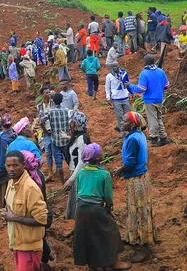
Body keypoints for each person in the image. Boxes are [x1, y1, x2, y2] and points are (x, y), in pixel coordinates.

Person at [72, 144, 129, 270]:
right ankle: (114, 262)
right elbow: (108, 196)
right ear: (98, 158)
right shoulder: (104, 174)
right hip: (96, 208)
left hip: (81, 209)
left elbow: (79, 191)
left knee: (87, 235)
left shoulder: (81, 172)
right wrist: (109, 207)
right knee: (111, 231)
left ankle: (92, 265)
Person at [113, 112, 156, 263]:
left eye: (124, 121)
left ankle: (143, 248)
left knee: (138, 211)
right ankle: (142, 237)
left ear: (132, 124)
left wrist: (120, 170)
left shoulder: (132, 139)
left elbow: (130, 163)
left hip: (136, 178)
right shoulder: (139, 134)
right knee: (143, 208)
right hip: (143, 176)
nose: (121, 122)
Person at [3, 150, 48, 271]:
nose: (11, 169)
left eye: (15, 165)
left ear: (23, 165)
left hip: (29, 248)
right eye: (8, 166)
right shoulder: (11, 183)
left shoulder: (30, 188)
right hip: (17, 243)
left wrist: (13, 218)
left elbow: (42, 219)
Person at [129, 54, 171, 146]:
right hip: (159, 98)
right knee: (159, 117)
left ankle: (154, 138)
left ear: (145, 62)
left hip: (150, 100)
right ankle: (163, 137)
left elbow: (142, 89)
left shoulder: (144, 73)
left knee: (152, 119)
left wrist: (130, 86)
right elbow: (167, 85)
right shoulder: (160, 71)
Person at [0, 114, 16, 208]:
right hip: (16, 166)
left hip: (5, 169)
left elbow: (2, 157)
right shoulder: (14, 134)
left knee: (4, 193)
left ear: (2, 125)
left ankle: (5, 212)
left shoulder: (2, 139)